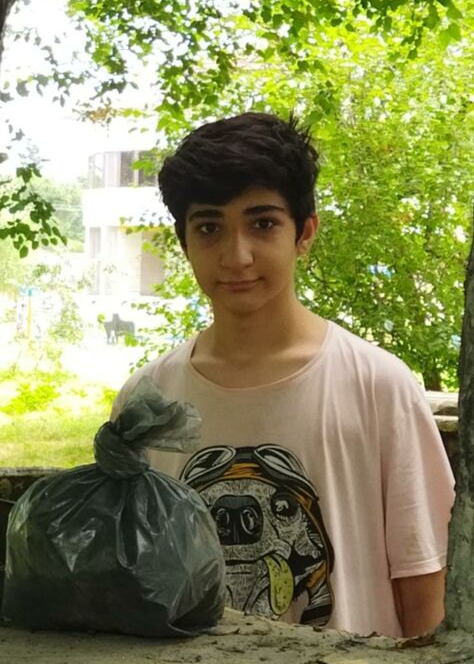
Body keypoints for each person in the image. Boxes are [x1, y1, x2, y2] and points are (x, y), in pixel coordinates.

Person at [112, 112, 455, 637]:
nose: (237, 256)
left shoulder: (378, 385)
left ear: (305, 232)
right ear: (184, 241)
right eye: (209, 227)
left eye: (263, 223)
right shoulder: (148, 399)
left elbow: (423, 577)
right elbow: (130, 574)